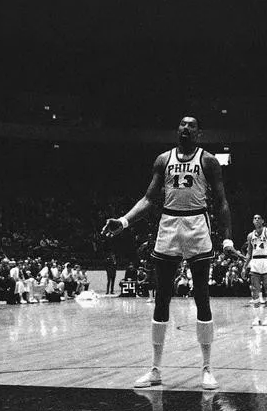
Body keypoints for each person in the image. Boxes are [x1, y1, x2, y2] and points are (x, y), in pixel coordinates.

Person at [101, 115, 241, 390]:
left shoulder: (209, 161)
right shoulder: (163, 160)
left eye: (191, 125)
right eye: (182, 124)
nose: (185, 128)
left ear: (199, 133)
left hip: (197, 224)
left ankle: (207, 368)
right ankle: (155, 369)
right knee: (161, 297)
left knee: (202, 296)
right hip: (168, 223)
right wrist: (124, 221)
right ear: (177, 130)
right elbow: (148, 199)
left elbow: (222, 201)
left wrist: (227, 239)